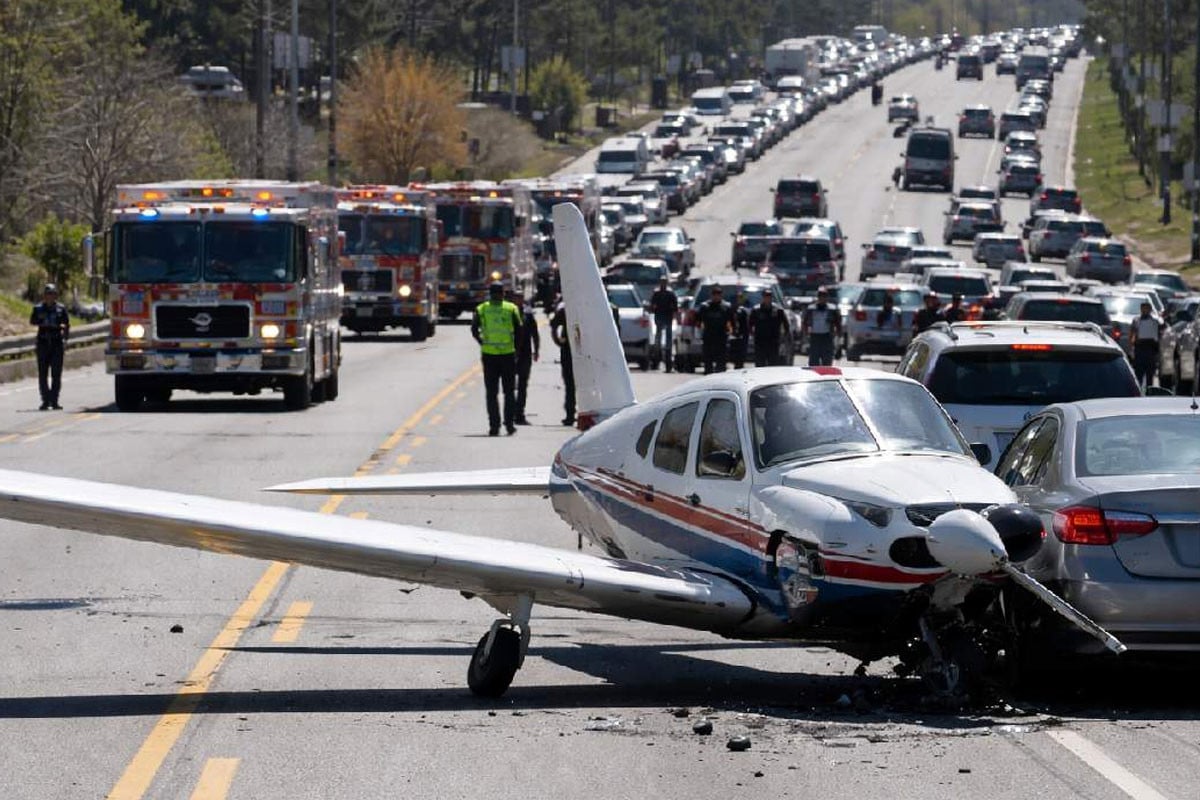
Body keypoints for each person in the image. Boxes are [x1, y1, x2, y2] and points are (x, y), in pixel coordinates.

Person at [470, 282, 523, 436]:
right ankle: (509, 425)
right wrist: (516, 351)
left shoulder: (482, 309)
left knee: (491, 393)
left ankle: (494, 426)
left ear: (489, 293)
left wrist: (483, 342)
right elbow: (519, 331)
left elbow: (474, 329)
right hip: (508, 355)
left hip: (489, 355)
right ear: (503, 293)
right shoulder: (511, 308)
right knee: (509, 392)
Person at [30, 283, 69, 410]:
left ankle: (54, 400)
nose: (50, 297)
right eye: (48, 294)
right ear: (44, 296)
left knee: (56, 374)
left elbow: (67, 324)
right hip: (43, 342)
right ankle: (45, 400)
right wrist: (43, 322)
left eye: (52, 294)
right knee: (43, 374)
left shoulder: (61, 309)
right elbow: (32, 321)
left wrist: (65, 339)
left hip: (56, 342)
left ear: (56, 295)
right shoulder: (38, 308)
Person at [510, 291, 539, 425]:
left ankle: (519, 414)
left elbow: (535, 333)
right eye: (516, 298)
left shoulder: (528, 314)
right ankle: (510, 413)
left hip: (525, 354)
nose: (518, 300)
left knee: (523, 385)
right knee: (509, 386)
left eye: (520, 298)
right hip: (509, 353)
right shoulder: (508, 313)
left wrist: (536, 350)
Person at [549, 300, 575, 426]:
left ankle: (572, 414)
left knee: (571, 384)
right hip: (570, 351)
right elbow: (553, 326)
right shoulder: (566, 310)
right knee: (570, 384)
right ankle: (570, 414)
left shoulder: (587, 310)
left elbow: (553, 327)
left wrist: (558, 341)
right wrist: (559, 342)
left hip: (582, 352)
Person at [698, 286, 733, 374]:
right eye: (714, 294)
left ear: (721, 295)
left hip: (721, 335)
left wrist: (731, 331)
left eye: (718, 294)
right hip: (708, 335)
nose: (716, 296)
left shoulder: (726, 307)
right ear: (711, 295)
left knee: (721, 359)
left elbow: (731, 321)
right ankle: (708, 372)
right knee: (708, 358)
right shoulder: (705, 306)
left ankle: (720, 373)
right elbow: (698, 321)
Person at [802, 287, 841, 367]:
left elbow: (838, 324)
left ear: (827, 298)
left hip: (827, 337)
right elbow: (805, 323)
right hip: (815, 337)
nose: (822, 298)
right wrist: (805, 335)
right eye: (820, 296)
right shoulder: (811, 309)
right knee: (813, 362)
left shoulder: (832, 309)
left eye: (824, 296)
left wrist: (838, 338)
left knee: (827, 361)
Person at [750, 291, 788, 367]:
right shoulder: (756, 310)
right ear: (763, 298)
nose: (767, 299)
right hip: (760, 341)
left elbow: (785, 324)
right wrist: (752, 335)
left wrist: (784, 336)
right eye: (765, 297)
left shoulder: (778, 310)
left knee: (773, 364)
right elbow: (750, 324)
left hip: (773, 341)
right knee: (760, 364)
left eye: (769, 297)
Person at [1130, 300, 1163, 389]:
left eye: (1147, 308)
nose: (1145, 310)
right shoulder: (1136, 321)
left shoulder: (1154, 322)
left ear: (1150, 310)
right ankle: (1138, 392)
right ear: (1141, 309)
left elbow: (1158, 336)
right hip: (1139, 351)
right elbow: (1132, 335)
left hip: (1150, 351)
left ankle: (1149, 392)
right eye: (1143, 308)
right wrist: (1133, 345)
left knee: (1149, 377)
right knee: (1138, 376)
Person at [648, 278, 678, 372]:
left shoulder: (670, 293)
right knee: (658, 340)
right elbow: (652, 305)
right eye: (662, 282)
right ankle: (657, 360)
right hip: (659, 317)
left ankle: (667, 362)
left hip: (667, 317)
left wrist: (674, 314)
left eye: (664, 283)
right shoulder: (657, 293)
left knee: (668, 341)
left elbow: (675, 306)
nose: (663, 284)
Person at [729, 291, 751, 369]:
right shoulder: (731, 310)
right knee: (734, 353)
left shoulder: (746, 310)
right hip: (733, 335)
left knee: (741, 354)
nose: (739, 300)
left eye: (741, 298)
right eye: (738, 298)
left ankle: (740, 365)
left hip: (743, 334)